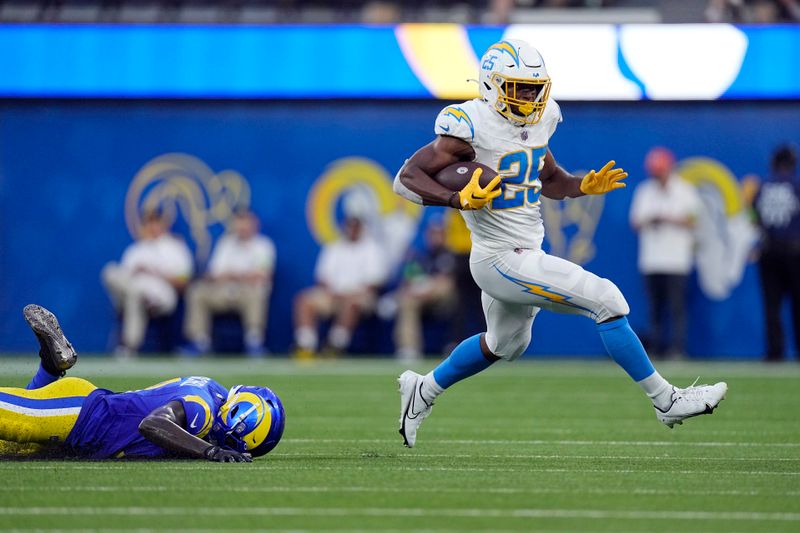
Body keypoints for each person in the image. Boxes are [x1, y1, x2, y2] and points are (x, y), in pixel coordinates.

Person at [392, 39, 727, 448]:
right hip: (499, 256)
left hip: (526, 250)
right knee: (607, 299)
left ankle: (422, 390)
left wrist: (580, 186)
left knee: (505, 343)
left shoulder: (542, 118)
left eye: (534, 88)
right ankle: (666, 399)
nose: (529, 97)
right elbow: (406, 178)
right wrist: (456, 198)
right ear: (491, 85)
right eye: (518, 87)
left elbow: (548, 178)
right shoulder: (469, 123)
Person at [0, 305, 284, 461]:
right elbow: (152, 424)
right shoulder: (205, 407)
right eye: (235, 443)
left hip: (83, 411)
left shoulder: (213, 391)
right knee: (19, 421)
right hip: (81, 416)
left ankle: (50, 367)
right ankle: (50, 367)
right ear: (236, 416)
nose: (232, 448)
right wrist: (209, 450)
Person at [629, 147, 701, 359]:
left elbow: (694, 219)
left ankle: (678, 349)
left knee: (677, 308)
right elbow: (635, 221)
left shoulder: (685, 190)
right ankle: (656, 349)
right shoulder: (645, 190)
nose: (657, 175)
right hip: (652, 260)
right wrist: (651, 219)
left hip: (677, 259)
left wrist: (668, 219)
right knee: (655, 309)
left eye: (660, 170)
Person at [183, 209, 276, 357]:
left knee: (258, 292)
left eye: (245, 223)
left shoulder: (263, 245)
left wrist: (236, 275)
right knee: (197, 291)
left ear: (254, 224)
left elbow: (262, 275)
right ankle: (199, 341)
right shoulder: (226, 243)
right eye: (239, 223)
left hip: (248, 292)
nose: (242, 227)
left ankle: (254, 341)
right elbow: (214, 273)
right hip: (223, 290)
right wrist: (234, 275)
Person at [101, 210, 193, 357]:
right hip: (135, 292)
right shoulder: (136, 249)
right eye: (149, 223)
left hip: (163, 296)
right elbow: (123, 277)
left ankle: (128, 347)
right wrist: (136, 272)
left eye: (156, 222)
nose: (153, 226)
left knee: (134, 295)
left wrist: (155, 272)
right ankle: (130, 346)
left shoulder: (176, 247)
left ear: (164, 224)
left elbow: (183, 282)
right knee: (111, 272)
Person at [293, 216, 386, 358]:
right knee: (305, 300)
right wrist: (332, 292)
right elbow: (322, 277)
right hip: (333, 295)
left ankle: (335, 346)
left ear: (361, 229)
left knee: (352, 304)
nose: (352, 230)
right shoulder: (334, 247)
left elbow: (374, 283)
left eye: (356, 227)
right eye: (349, 227)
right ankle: (306, 346)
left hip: (360, 296)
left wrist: (350, 294)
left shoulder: (371, 248)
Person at [752, 143, 800, 361]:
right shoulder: (796, 185)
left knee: (772, 306)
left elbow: (753, 217)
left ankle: (775, 352)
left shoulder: (763, 186)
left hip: (769, 251)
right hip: (794, 251)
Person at [393, 218, 457, 361]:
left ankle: (453, 342)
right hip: (421, 298)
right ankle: (409, 348)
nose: (435, 237)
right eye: (432, 234)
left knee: (445, 286)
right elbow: (409, 278)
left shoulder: (448, 253)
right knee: (406, 301)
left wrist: (428, 289)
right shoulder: (420, 254)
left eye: (438, 234)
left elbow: (445, 280)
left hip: (444, 300)